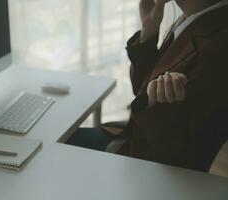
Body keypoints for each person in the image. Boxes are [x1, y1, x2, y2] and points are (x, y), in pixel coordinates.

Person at [67, 0, 228, 170]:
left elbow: (180, 150)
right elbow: (140, 89)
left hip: (145, 165)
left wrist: (158, 102)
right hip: (130, 141)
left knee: (55, 147)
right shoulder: (192, 20)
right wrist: (149, 30)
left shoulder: (218, 46)